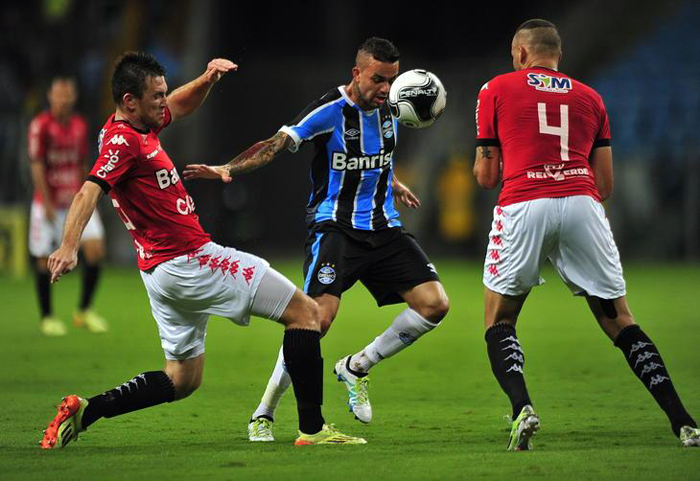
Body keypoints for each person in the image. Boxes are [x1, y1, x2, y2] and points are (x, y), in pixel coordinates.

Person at [40, 51, 365, 449]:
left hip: (161, 272)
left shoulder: (134, 127)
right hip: (190, 259)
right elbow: (90, 189)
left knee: (182, 379)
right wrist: (69, 246)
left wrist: (207, 78)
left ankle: (86, 410)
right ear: (130, 101)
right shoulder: (123, 143)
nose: (164, 101)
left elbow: (179, 103)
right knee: (306, 314)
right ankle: (313, 431)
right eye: (155, 95)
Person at [184, 37, 450, 443]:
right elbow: (275, 146)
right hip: (335, 229)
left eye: (391, 80)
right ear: (357, 73)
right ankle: (264, 412)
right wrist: (227, 169)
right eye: (378, 79)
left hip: (383, 226)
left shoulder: (394, 107)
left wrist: (391, 181)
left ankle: (358, 366)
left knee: (435, 304)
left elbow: (374, 155)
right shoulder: (329, 112)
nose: (385, 88)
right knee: (315, 321)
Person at [473, 18, 700, 450]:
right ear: (558, 55)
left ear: (521, 53)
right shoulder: (591, 97)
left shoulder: (496, 88)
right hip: (582, 202)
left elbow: (486, 177)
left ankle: (522, 408)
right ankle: (684, 422)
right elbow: (606, 184)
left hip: (525, 202)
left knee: (499, 319)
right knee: (620, 321)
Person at [28, 76, 108, 336]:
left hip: (76, 201)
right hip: (48, 203)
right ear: (50, 97)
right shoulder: (40, 126)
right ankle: (47, 316)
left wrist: (89, 193)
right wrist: (47, 203)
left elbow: (83, 163)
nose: (64, 100)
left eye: (68, 95)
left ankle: (83, 311)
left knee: (95, 250)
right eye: (59, 95)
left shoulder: (80, 125)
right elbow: (37, 164)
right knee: (43, 260)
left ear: (73, 98)